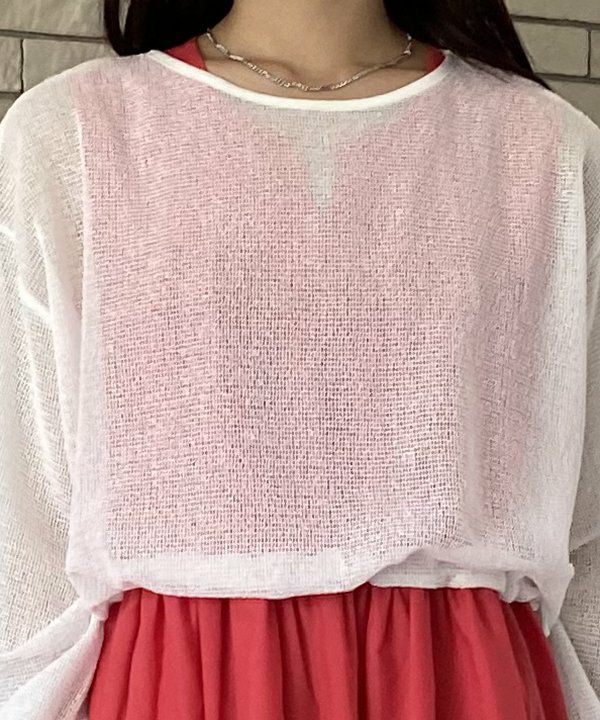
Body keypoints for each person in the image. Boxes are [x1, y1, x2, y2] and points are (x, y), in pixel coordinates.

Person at [1, 0, 600, 717]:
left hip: (459, 677)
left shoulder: (542, 146)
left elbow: (586, 520)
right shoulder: (77, 132)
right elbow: (25, 516)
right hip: (188, 677)